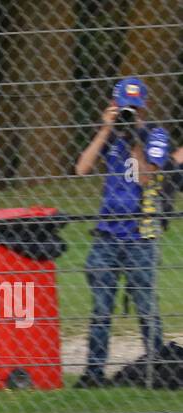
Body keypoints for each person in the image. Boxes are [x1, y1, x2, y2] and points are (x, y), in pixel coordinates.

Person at [73, 77, 169, 388]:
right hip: (107, 235)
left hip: (141, 235)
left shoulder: (156, 135)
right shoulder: (110, 136)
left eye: (135, 108)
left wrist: (135, 140)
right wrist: (105, 129)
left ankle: (158, 370)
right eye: (125, 108)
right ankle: (93, 373)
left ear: (145, 107)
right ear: (114, 106)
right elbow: (82, 169)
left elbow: (146, 178)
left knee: (146, 308)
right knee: (101, 309)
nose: (130, 114)